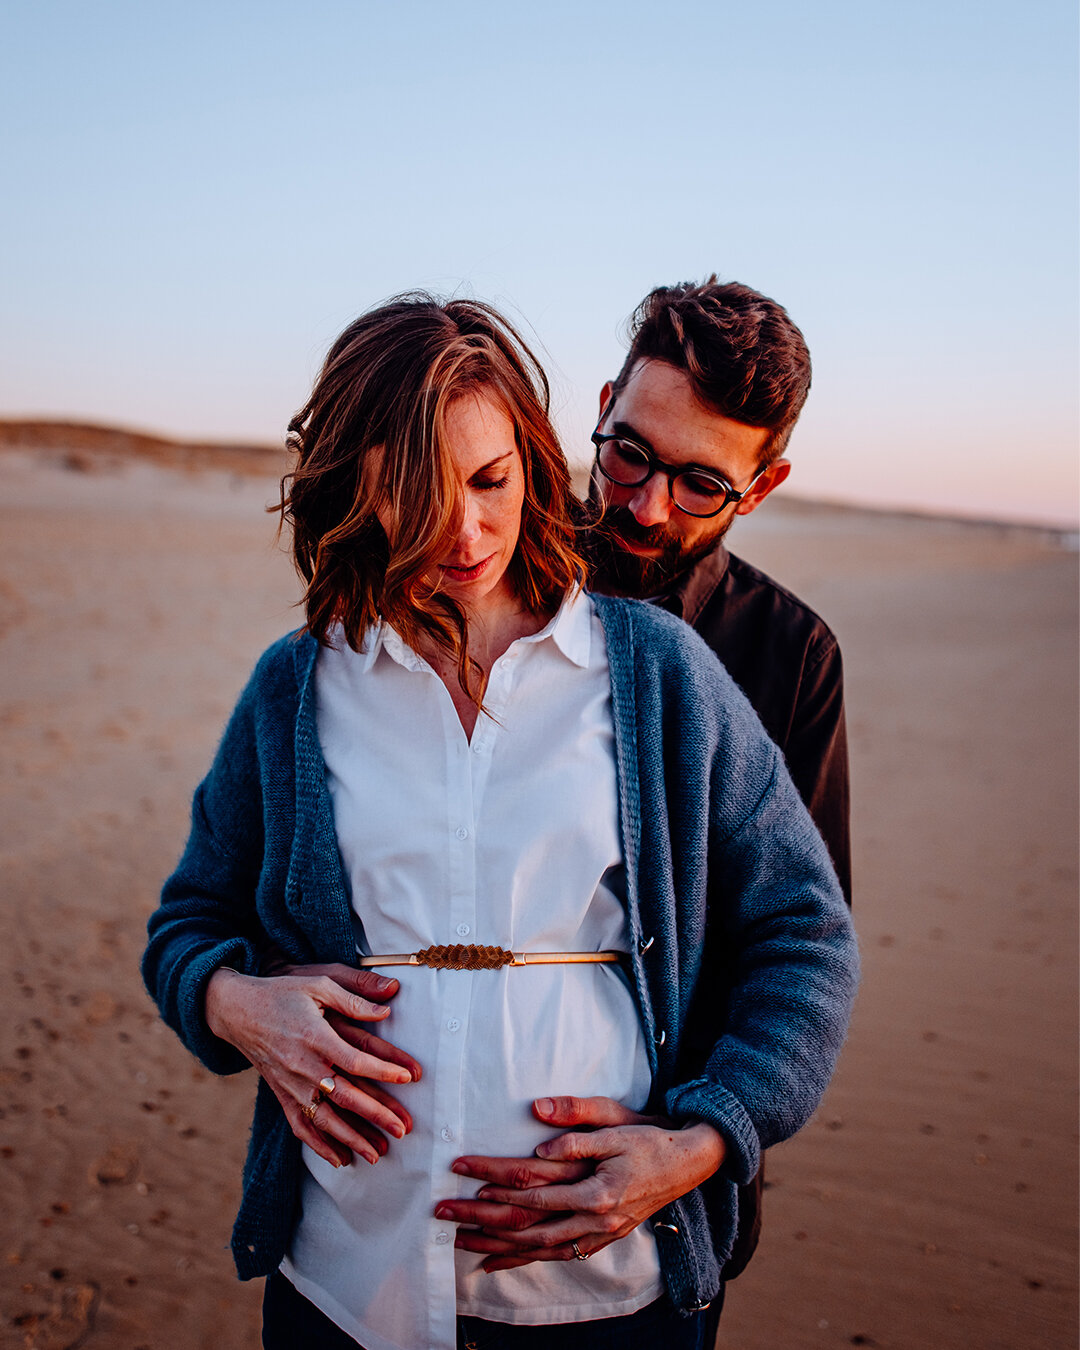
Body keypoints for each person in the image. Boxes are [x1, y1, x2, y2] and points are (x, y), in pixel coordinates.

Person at [142, 293, 858, 1350]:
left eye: (489, 481)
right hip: (349, 1280)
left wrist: (704, 1139)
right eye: (419, 493)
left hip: (609, 1286)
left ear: (527, 461)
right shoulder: (300, 687)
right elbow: (188, 923)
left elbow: (803, 938)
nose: (465, 531)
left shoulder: (675, 672)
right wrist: (235, 1002)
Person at [438, 280, 848, 1330]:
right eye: (629, 454)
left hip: (654, 1240)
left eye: (702, 483)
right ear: (609, 401)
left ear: (764, 486)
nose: (648, 505)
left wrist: (694, 1148)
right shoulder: (472, 570)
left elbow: (799, 951)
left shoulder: (790, 658)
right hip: (410, 1231)